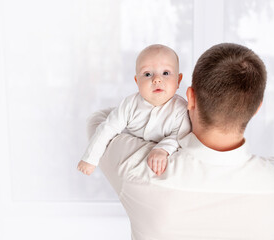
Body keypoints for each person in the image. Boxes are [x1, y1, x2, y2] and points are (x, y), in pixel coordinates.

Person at [80, 43, 274, 240]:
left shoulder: (138, 168)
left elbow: (98, 123)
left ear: (189, 98)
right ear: (257, 108)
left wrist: (151, 117)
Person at [77, 44, 190, 176]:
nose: (157, 79)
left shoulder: (180, 108)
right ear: (137, 81)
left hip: (160, 165)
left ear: (178, 80)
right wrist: (90, 159)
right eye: (147, 74)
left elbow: (181, 135)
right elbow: (108, 128)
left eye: (166, 73)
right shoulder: (130, 104)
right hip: (130, 159)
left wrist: (163, 149)